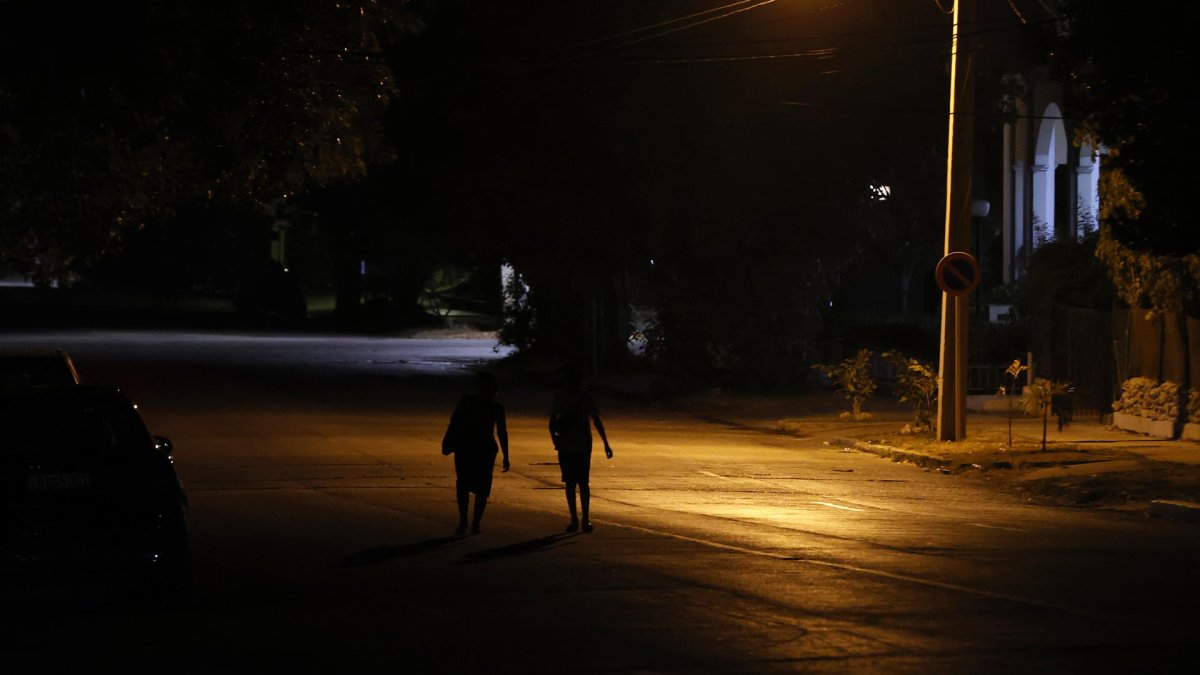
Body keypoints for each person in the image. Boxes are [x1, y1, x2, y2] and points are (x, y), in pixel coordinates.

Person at [442, 370, 509, 534]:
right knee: (476, 486)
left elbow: (454, 422)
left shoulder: (473, 402)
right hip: (475, 448)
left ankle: (468, 522)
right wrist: (506, 456)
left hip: (472, 448)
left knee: (470, 486)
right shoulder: (491, 406)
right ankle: (470, 523)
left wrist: (506, 455)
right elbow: (501, 432)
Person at [548, 363, 613, 533]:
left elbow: (552, 422)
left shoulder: (559, 397)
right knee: (583, 483)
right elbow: (596, 420)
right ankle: (585, 519)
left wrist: (554, 440)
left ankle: (574, 519)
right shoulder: (586, 397)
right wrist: (605, 443)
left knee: (570, 483)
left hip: (566, 445)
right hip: (583, 445)